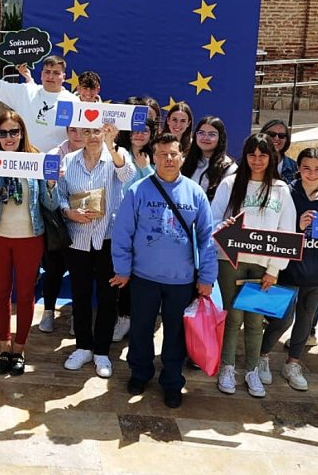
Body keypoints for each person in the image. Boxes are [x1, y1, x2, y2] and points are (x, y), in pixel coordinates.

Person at [111, 134, 217, 409]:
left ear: (182, 156)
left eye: (173, 154)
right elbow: (123, 232)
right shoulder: (138, 191)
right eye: (162, 154)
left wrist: (206, 277)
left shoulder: (195, 193)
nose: (168, 159)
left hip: (181, 282)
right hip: (143, 278)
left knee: (176, 334)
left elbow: (207, 238)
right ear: (153, 157)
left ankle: (171, 381)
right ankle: (140, 373)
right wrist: (122, 269)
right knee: (141, 330)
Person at [210, 133, 296, 398]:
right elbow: (212, 221)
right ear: (245, 156)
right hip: (231, 261)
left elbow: (287, 231)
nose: (257, 161)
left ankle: (251, 370)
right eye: (252, 155)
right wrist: (220, 229)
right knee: (233, 316)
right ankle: (227, 367)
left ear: (271, 158)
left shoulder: (281, 189)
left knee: (256, 319)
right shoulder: (230, 184)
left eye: (263, 155)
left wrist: (274, 269)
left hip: (262, 265)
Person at [0, 111, 56, 376]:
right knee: (0, 291)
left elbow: (50, 204)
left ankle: (20, 349)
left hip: (30, 237)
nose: (9, 138)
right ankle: (4, 346)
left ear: (22, 133)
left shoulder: (36, 159)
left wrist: (53, 184)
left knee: (25, 294)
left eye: (14, 132)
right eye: (3, 133)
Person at [258, 147, 318, 391]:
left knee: (305, 321)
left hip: (317, 272)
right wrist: (298, 226)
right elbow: (274, 227)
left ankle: (293, 363)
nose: (312, 173)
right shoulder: (287, 192)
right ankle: (261, 357)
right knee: (280, 319)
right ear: (298, 168)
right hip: (287, 269)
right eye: (306, 167)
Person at [56, 122, 136, 378]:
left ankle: (101, 351)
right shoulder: (68, 160)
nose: (90, 137)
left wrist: (112, 147)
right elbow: (58, 195)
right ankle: (83, 347)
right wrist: (69, 212)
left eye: (96, 131)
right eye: (85, 131)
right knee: (79, 295)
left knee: (107, 297)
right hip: (77, 238)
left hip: (108, 239)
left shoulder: (116, 157)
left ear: (105, 133)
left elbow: (129, 176)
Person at [0, 53, 76, 152]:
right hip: (23, 164)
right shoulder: (26, 92)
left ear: (64, 77)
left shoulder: (73, 101)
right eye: (47, 72)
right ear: (41, 74)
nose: (50, 76)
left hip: (55, 166)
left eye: (56, 73)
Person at [111, 116, 158, 343]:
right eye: (136, 131)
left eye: (145, 131)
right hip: (120, 225)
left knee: (140, 276)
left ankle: (133, 317)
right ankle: (122, 316)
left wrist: (146, 168)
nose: (140, 135)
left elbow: (159, 190)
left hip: (146, 229)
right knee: (120, 273)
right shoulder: (118, 152)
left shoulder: (156, 156)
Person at [38, 125, 85, 335]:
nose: (78, 135)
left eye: (84, 130)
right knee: (53, 270)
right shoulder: (53, 155)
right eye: (73, 130)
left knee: (79, 273)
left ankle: (77, 315)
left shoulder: (97, 152)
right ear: (67, 132)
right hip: (57, 222)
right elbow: (44, 189)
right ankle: (48, 311)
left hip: (84, 224)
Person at [182, 115, 236, 201]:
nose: (205, 138)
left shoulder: (229, 169)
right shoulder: (185, 162)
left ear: (220, 138)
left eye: (212, 134)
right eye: (201, 133)